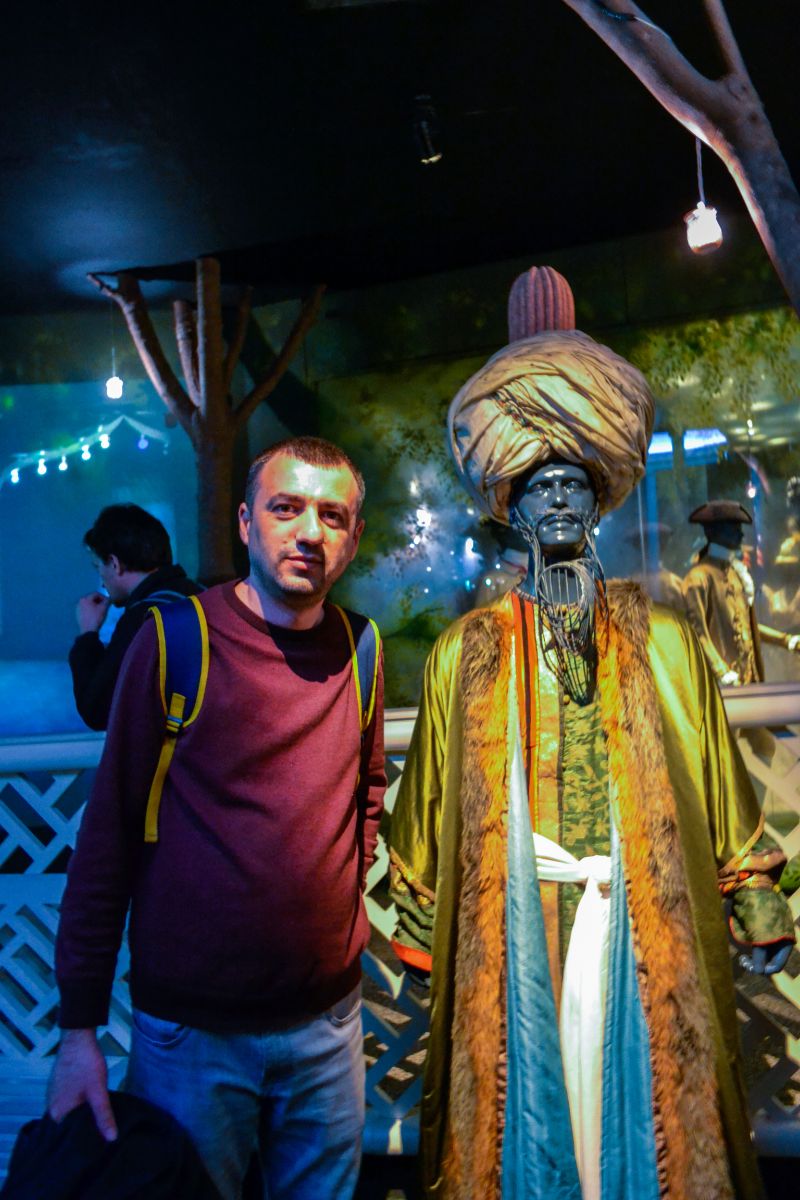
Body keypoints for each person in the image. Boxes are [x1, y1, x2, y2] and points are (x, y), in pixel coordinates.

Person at [388, 267, 795, 1200]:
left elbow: (717, 781)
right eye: (541, 485)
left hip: (639, 928)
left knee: (650, 1126)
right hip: (514, 930)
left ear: (600, 496)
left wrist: (752, 890)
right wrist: (416, 925)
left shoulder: (665, 638)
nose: (561, 500)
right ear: (514, 504)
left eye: (576, 482)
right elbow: (429, 807)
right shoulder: (464, 651)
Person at [49, 437, 386, 1200]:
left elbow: (365, 793)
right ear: (244, 522)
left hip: (327, 1025)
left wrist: (339, 905)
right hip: (192, 1036)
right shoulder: (177, 640)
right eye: (285, 508)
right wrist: (79, 1030)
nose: (310, 532)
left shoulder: (360, 646)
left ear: (354, 535)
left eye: (333, 516)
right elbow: (108, 838)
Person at [69, 504, 202, 730]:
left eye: (98, 565)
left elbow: (97, 710)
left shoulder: (144, 617)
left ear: (114, 564)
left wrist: (87, 635)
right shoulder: (200, 595)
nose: (101, 578)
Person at [682, 500, 800, 687]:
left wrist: (786, 640)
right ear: (713, 532)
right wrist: (721, 672)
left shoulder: (736, 574)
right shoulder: (698, 578)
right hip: (722, 687)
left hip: (748, 682)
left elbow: (748, 628)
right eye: (734, 528)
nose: (741, 534)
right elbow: (697, 633)